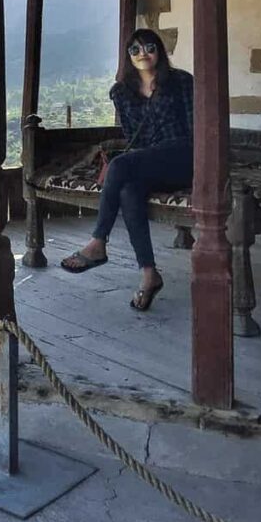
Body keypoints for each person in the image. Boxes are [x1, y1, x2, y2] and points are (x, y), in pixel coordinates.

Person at [60, 29, 194, 311]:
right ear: (129, 57)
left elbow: (197, 129)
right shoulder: (122, 93)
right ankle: (149, 273)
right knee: (129, 190)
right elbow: (135, 137)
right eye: (135, 50)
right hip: (151, 159)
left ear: (159, 50)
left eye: (149, 47)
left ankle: (98, 241)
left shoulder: (181, 82)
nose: (143, 53)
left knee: (120, 165)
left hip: (183, 156)